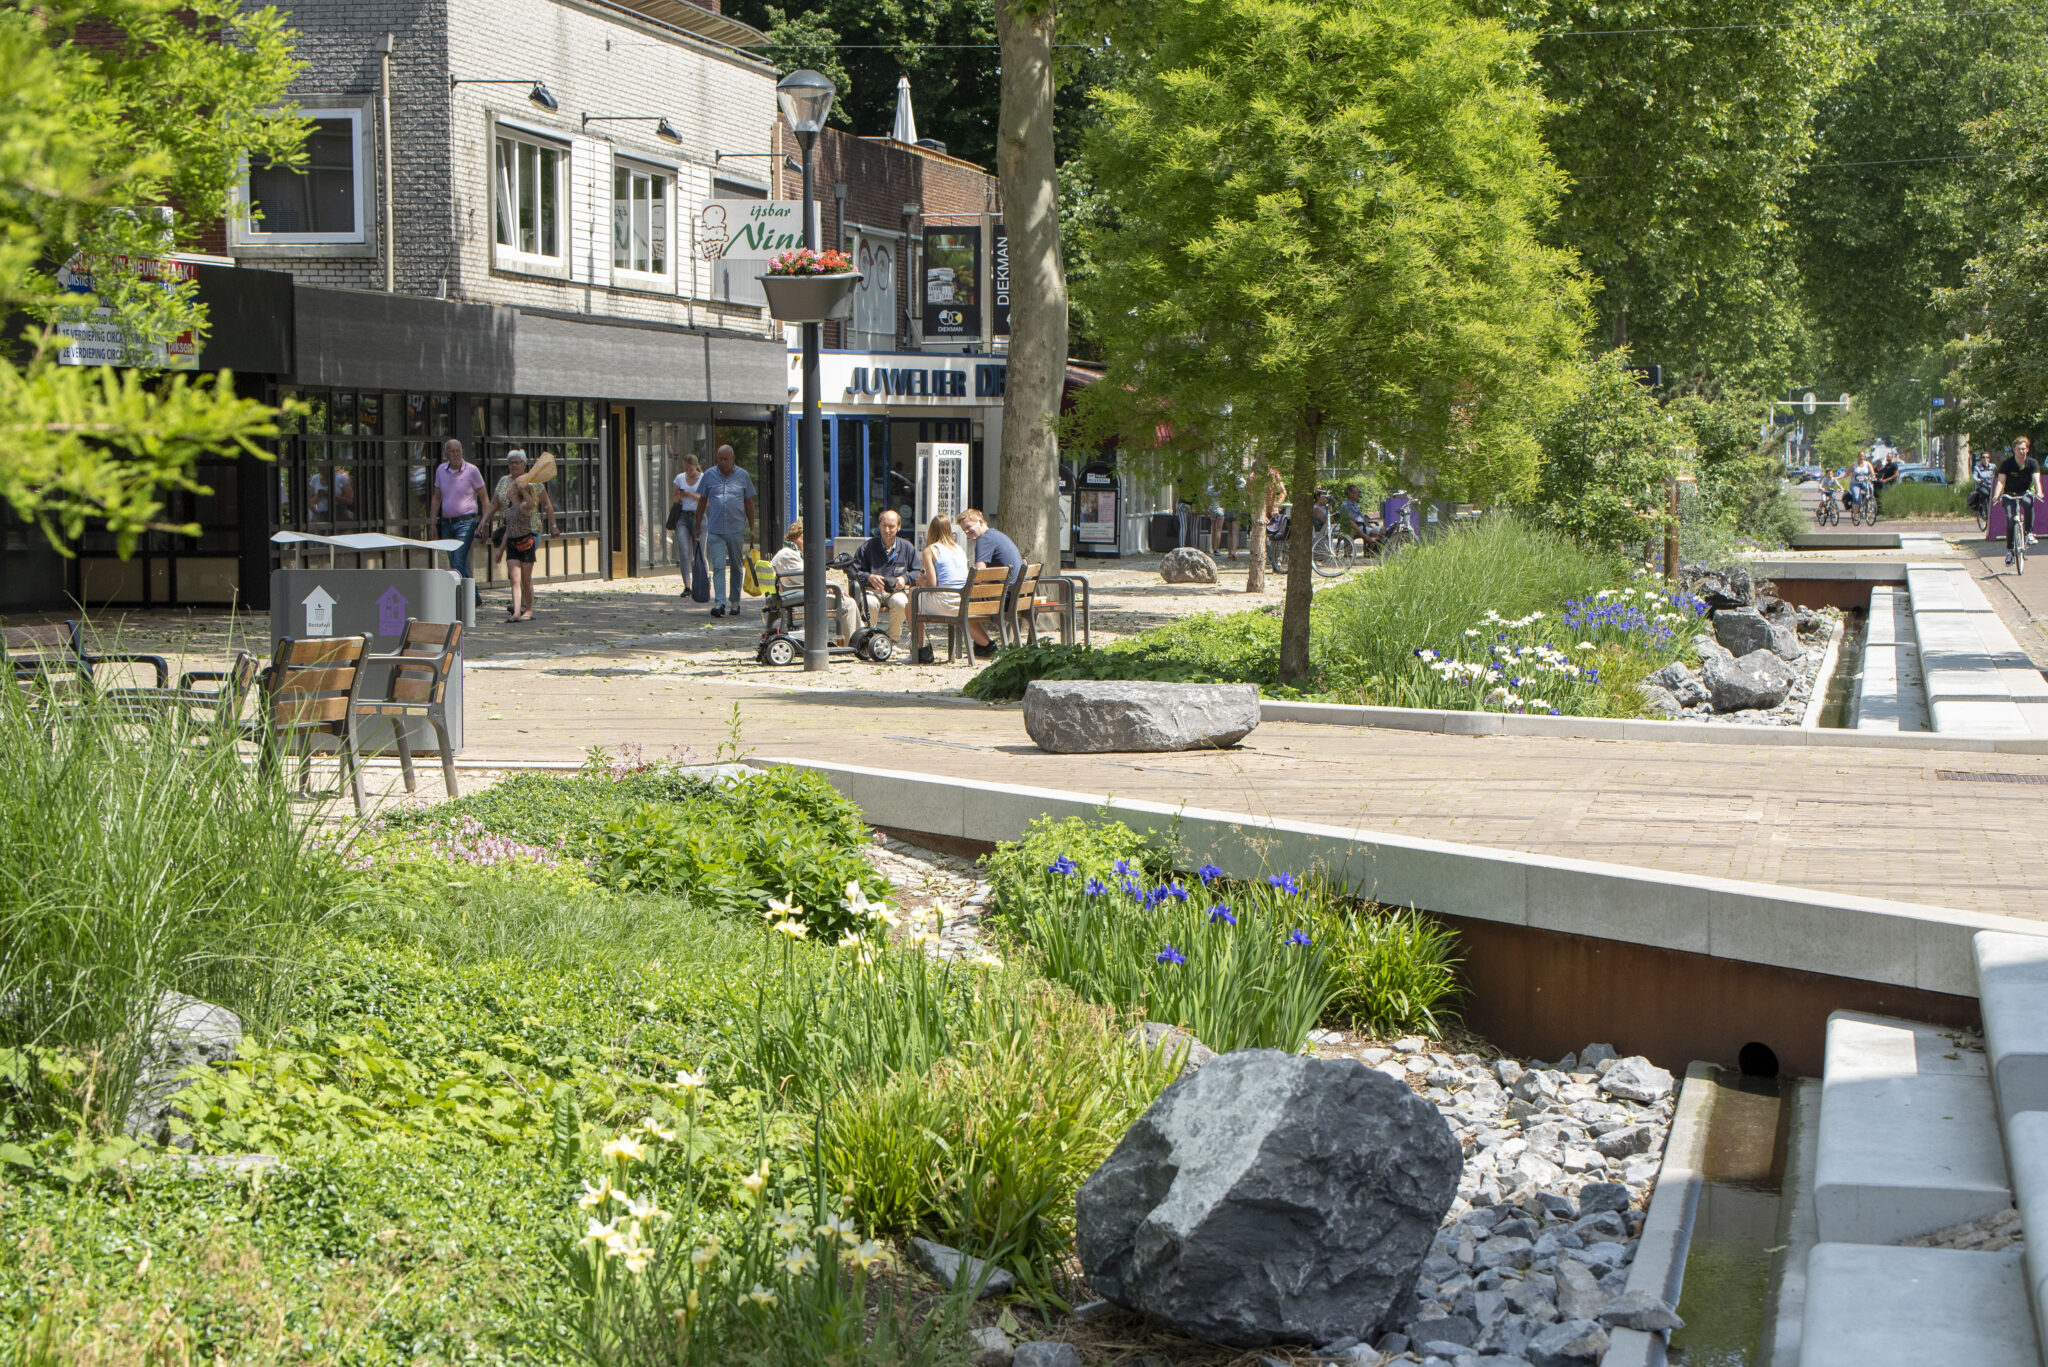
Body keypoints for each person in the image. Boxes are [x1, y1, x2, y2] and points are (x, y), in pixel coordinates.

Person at [491, 451, 556, 621]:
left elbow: (541, 504)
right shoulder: (505, 489)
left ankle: (528, 608)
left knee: (525, 579)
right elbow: (507, 526)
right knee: (515, 577)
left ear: (524, 464)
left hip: (529, 536)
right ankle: (517, 610)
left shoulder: (529, 493)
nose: (513, 465)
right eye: (510, 462)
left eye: (516, 462)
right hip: (512, 540)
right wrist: (500, 548)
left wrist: (553, 526)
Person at [697, 444, 758, 617]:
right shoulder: (709, 475)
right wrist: (697, 526)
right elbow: (702, 500)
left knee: (737, 566)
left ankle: (735, 601)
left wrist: (752, 527)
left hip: (736, 528)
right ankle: (719, 602)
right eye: (719, 458)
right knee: (718, 566)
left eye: (725, 459)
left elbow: (749, 502)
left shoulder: (742, 475)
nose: (721, 462)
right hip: (715, 528)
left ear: (732, 458)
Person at [955, 508, 1021, 656]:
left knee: (957, 603)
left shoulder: (984, 540)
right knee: (965, 599)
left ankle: (987, 645)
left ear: (980, 521)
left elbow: (980, 575)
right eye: (963, 529)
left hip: (1004, 598)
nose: (966, 532)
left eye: (968, 527)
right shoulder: (997, 535)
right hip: (1016, 596)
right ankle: (982, 645)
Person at [429, 438, 493, 586]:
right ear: (446, 454)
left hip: (466, 521)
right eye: (452, 451)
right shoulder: (440, 470)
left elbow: (484, 499)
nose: (456, 454)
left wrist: (485, 522)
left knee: (458, 560)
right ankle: (473, 595)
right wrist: (432, 524)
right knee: (455, 562)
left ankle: (457, 598)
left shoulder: (472, 471)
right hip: (447, 523)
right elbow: (436, 499)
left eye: (458, 451)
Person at [853, 508, 920, 646]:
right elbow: (854, 571)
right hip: (872, 590)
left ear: (899, 527)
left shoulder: (907, 547)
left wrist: (904, 579)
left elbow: (917, 571)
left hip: (895, 591)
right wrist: (869, 577)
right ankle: (870, 639)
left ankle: (892, 640)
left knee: (902, 603)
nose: (887, 530)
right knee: (870, 603)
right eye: (884, 526)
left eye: (891, 526)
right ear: (879, 526)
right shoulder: (867, 546)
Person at [917, 513, 968, 663]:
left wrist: (921, 580)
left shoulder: (930, 550)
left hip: (944, 602)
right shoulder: (958, 549)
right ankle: (922, 648)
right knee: (915, 598)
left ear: (931, 531)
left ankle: (920, 649)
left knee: (912, 598)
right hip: (961, 601)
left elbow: (932, 584)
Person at [1993, 437, 2042, 561]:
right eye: (2019, 449)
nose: (2021, 451)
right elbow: (2000, 481)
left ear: (2027, 449)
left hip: (2024, 492)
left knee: (2028, 502)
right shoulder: (2007, 464)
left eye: (2024, 449)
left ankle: (2029, 533)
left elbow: (2036, 479)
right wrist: (1996, 494)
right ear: (2014, 449)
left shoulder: (2032, 463)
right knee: (2010, 518)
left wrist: (2039, 491)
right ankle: (2010, 550)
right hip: (2009, 493)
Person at [671, 455, 707, 601]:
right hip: (683, 517)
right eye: (685, 469)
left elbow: (707, 500)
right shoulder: (679, 478)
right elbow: (674, 498)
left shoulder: (703, 478)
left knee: (699, 552)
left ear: (696, 466)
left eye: (690, 469)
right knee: (684, 551)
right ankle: (687, 585)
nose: (688, 472)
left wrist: (691, 495)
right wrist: (679, 495)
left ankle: (703, 582)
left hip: (699, 517)